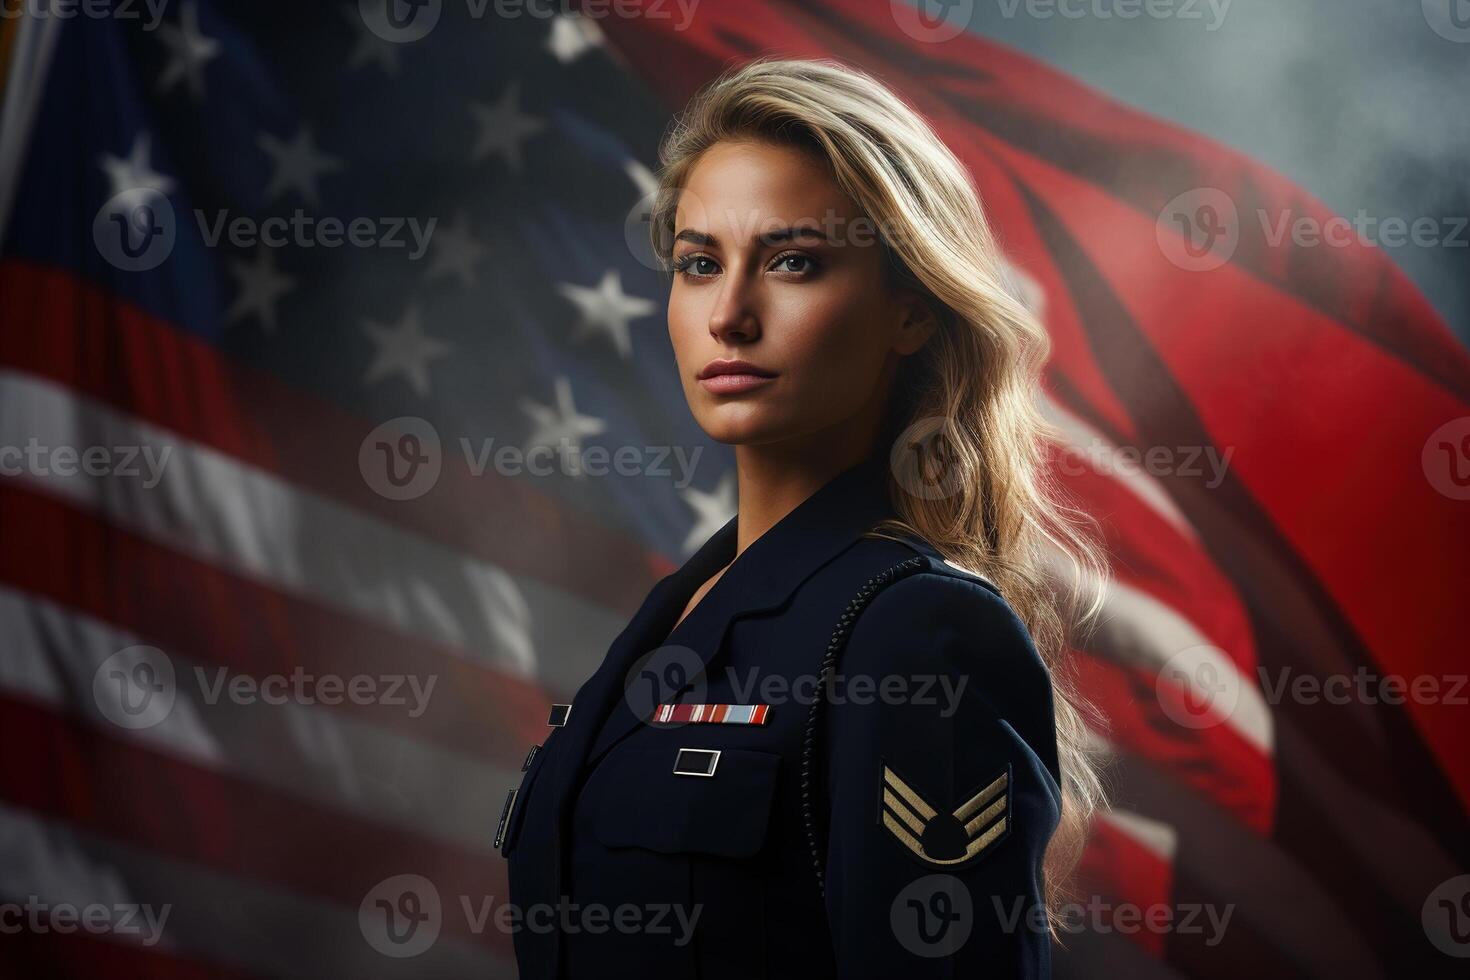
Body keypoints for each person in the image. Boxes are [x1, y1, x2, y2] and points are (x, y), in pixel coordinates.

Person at [499, 56, 1105, 979]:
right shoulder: (682, 605)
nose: (730, 315)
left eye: (792, 263)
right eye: (699, 264)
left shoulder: (917, 634)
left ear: (909, 310)